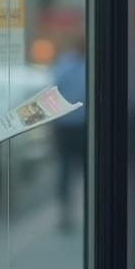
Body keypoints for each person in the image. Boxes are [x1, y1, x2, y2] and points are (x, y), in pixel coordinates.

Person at [51, 34, 87, 232]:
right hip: (69, 126)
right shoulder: (66, 64)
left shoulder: (85, 63)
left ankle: (83, 209)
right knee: (66, 170)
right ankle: (65, 212)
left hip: (82, 125)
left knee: (81, 170)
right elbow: (54, 93)